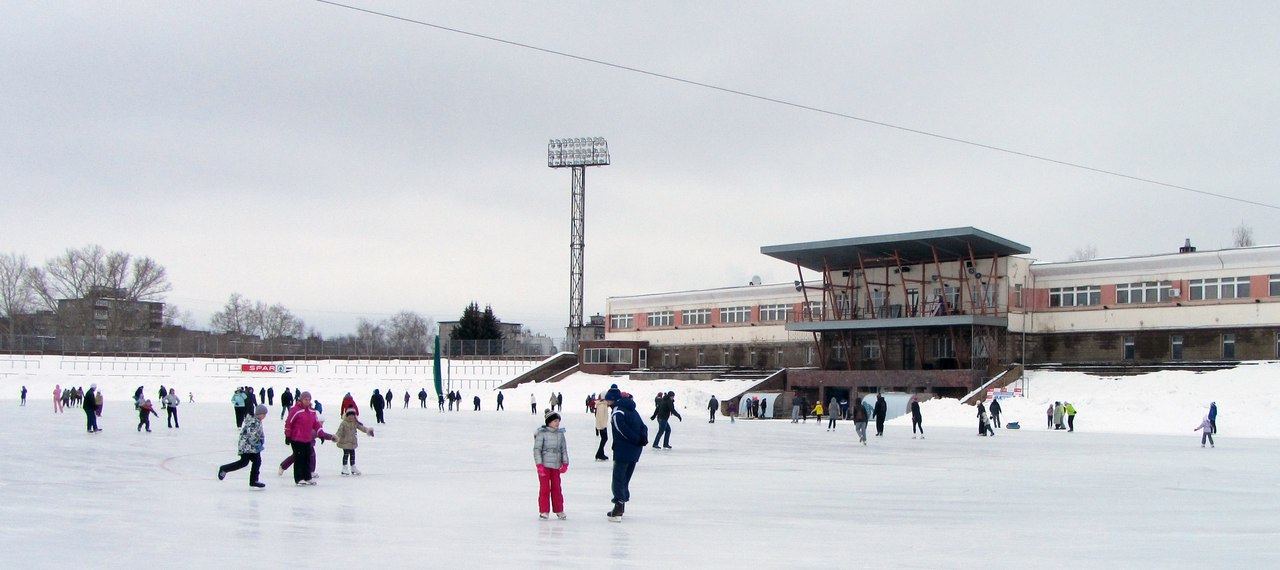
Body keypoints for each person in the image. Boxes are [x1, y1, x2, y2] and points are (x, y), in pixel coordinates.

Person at [606, 387, 646, 522]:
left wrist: (636, 439)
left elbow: (622, 430)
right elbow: (643, 426)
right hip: (635, 450)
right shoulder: (632, 410)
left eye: (607, 400)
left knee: (618, 478)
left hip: (623, 450)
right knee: (625, 478)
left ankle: (618, 507)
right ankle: (621, 505)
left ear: (612, 400)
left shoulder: (617, 413)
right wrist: (642, 439)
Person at [219, 404, 268, 489]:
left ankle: (254, 480)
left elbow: (259, 433)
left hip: (252, 447)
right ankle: (224, 469)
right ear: (259, 413)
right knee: (244, 462)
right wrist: (258, 444)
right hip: (247, 446)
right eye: (264, 414)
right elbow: (251, 435)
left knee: (256, 461)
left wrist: (261, 440)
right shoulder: (253, 421)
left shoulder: (258, 421)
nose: (265, 416)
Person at [534, 411, 570, 520]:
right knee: (545, 488)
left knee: (557, 488)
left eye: (558, 421)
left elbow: (563, 449)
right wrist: (539, 464)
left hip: (556, 465)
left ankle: (559, 509)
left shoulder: (560, 434)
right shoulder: (542, 433)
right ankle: (544, 510)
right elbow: (537, 449)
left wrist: (565, 463)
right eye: (555, 421)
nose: (557, 423)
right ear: (549, 422)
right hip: (545, 464)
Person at [284, 391, 320, 485]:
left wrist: (321, 433)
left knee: (307, 458)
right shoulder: (295, 410)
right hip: (296, 438)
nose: (307, 401)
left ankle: (307, 477)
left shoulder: (312, 411)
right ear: (301, 399)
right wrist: (287, 435)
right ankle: (299, 478)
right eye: (305, 399)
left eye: (309, 399)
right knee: (300, 458)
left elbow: (316, 424)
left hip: (307, 438)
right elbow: (289, 423)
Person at [335, 409, 374, 476]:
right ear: (347, 416)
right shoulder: (343, 423)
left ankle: (353, 467)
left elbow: (362, 428)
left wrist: (368, 430)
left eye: (352, 415)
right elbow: (339, 432)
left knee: (352, 454)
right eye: (349, 415)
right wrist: (336, 437)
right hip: (345, 441)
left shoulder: (355, 422)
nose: (351, 417)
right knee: (346, 454)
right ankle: (344, 468)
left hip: (352, 442)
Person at [593, 391, 612, 461]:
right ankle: (599, 453)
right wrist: (603, 426)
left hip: (602, 425)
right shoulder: (602, 405)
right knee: (604, 439)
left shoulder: (603, 405)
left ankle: (600, 453)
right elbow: (601, 417)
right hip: (602, 426)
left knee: (604, 439)